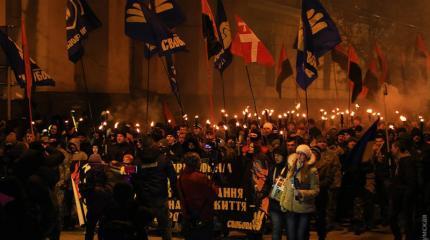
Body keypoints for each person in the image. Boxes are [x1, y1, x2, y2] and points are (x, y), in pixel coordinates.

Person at [132, 136, 177, 240]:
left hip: (143, 199)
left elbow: (132, 179)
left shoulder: (137, 161)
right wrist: (175, 193)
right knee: (165, 228)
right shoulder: (163, 158)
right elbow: (173, 177)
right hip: (160, 198)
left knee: (140, 227)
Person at [280, 144, 319, 240]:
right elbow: (286, 186)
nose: (300, 156)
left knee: (301, 236)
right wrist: (282, 201)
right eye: (298, 153)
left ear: (307, 156)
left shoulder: (312, 171)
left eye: (303, 154)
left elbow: (316, 190)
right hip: (290, 207)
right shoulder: (292, 168)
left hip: (303, 209)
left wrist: (302, 193)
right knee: (291, 236)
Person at [177, 152, 218, 240]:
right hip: (203, 216)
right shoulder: (201, 177)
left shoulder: (181, 177)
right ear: (196, 163)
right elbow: (213, 194)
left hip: (188, 216)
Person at [389, 140, 417, 240]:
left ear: (397, 148)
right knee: (394, 218)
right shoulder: (400, 160)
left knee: (406, 219)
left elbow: (411, 181)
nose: (391, 150)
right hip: (399, 195)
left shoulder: (406, 161)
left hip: (404, 196)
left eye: (392, 147)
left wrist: (406, 196)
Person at [262, 148, 288, 240]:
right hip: (274, 205)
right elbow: (268, 183)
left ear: (284, 156)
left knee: (289, 231)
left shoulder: (289, 168)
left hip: (287, 205)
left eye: (279, 155)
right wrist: (263, 193)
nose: (276, 157)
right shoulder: (273, 168)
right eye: (275, 155)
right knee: (276, 229)